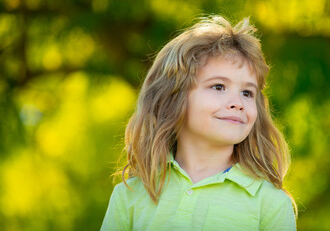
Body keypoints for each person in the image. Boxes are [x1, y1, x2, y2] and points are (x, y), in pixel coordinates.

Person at [100, 15, 297, 231]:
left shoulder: (271, 203)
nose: (238, 103)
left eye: (247, 92)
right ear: (174, 97)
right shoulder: (130, 194)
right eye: (219, 87)